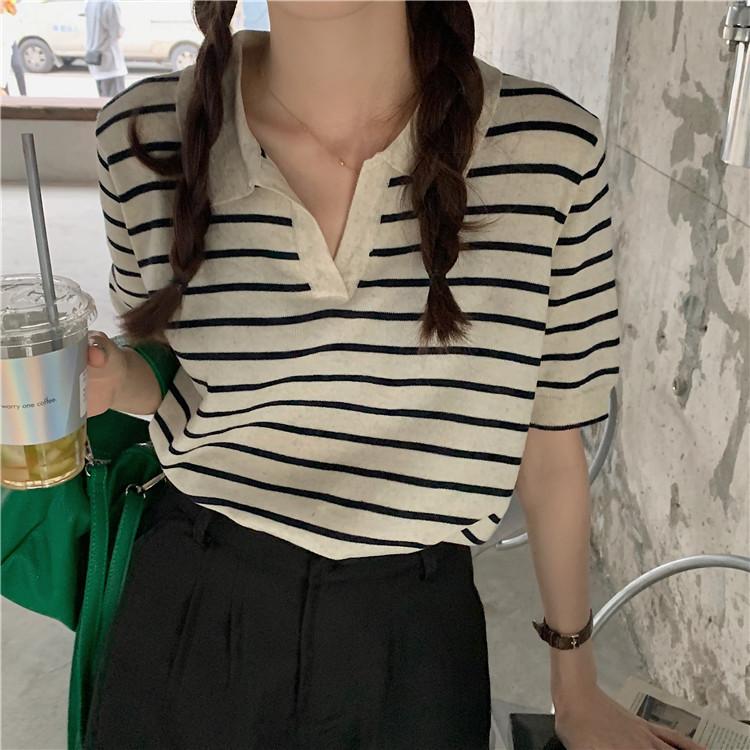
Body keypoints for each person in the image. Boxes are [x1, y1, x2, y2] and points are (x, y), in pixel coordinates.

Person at [82, 2, 708, 749]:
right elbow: (182, 379)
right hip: (192, 599)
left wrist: (574, 688)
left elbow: (550, 446)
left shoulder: (550, 152)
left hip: (415, 638)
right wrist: (112, 381)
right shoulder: (141, 137)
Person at [84, 0, 127, 98]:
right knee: (116, 102)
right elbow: (116, 32)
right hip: (110, 62)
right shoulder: (110, 4)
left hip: (95, 59)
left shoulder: (90, 3)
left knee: (104, 99)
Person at [1, 0, 27, 96]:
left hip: (9, 43)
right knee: (3, 71)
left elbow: (16, 25)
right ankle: (6, 97)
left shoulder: (10, 10)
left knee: (17, 66)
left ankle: (24, 95)